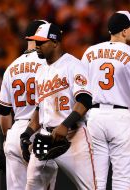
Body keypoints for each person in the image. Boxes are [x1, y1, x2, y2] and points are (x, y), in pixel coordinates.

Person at [80, 11, 130, 190]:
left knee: (96, 181)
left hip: (94, 117)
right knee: (122, 181)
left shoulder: (90, 52)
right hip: (122, 118)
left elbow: (80, 88)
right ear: (124, 32)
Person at [23, 22, 97, 190]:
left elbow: (85, 100)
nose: (37, 46)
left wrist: (65, 124)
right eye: (36, 42)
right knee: (32, 186)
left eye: (42, 42)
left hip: (73, 136)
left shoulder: (73, 65)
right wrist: (27, 133)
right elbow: (38, 109)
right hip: (45, 137)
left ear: (55, 42)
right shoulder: (40, 72)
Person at [0, 20, 57, 190]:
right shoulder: (49, 63)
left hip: (16, 130)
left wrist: (8, 138)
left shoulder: (11, 67)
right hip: (40, 130)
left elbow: (4, 113)